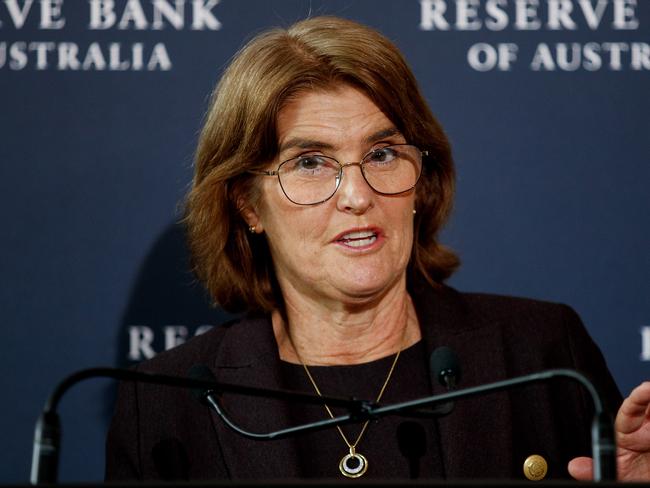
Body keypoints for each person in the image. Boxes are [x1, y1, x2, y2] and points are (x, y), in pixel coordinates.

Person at [105, 16, 650, 481]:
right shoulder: (166, 404)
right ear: (248, 205)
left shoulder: (544, 354)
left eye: (383, 153)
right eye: (310, 162)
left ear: (421, 177)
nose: (358, 196)